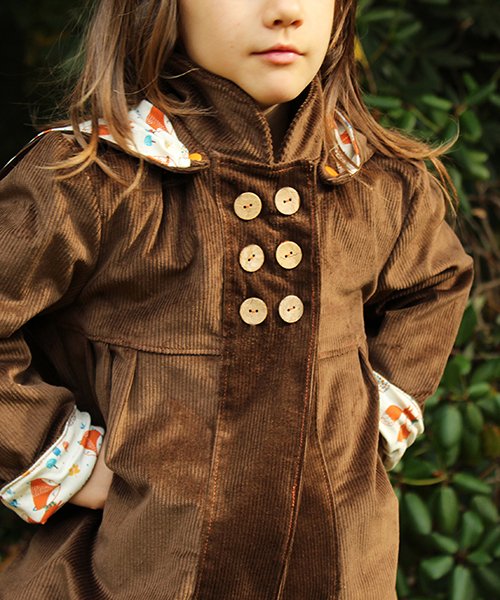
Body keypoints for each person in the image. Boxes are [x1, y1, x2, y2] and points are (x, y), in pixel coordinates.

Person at [0, 1, 474, 598]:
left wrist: (368, 424)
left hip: (340, 570)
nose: (285, 11)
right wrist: (63, 460)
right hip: (130, 570)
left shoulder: (377, 182)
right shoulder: (94, 179)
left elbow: (434, 285)